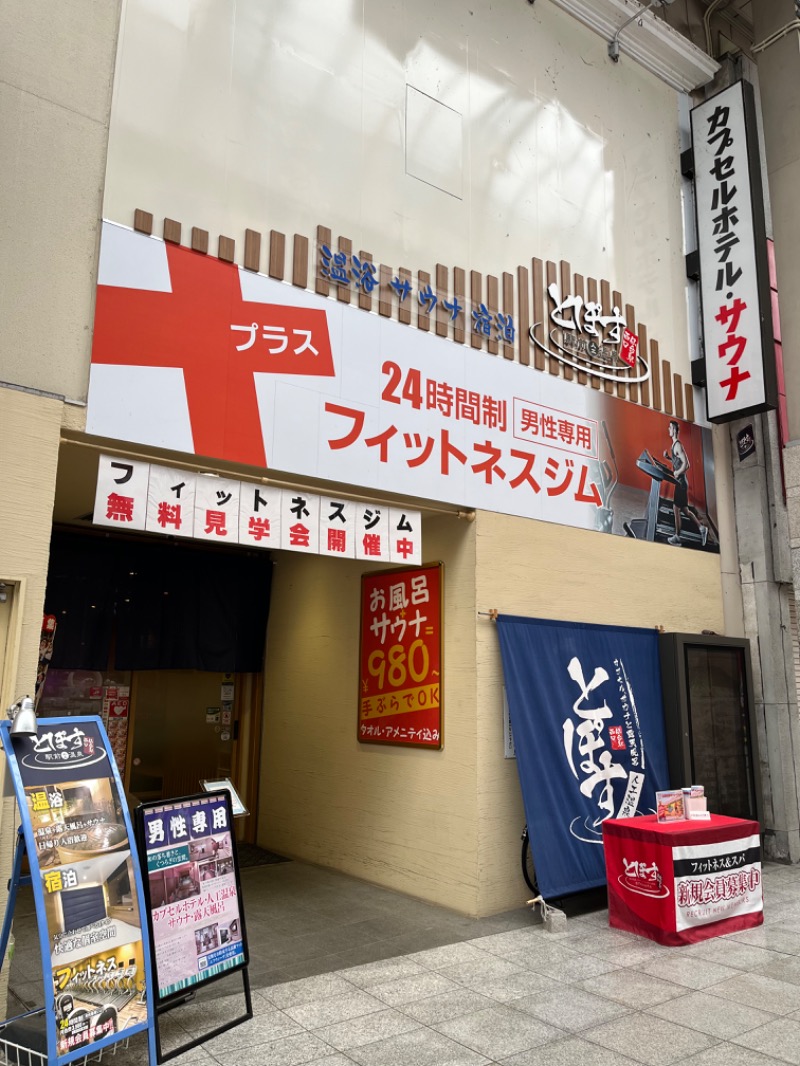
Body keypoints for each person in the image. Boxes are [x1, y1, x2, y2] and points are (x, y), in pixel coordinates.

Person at [663, 420, 707, 547]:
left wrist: (677, 472)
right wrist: (669, 458)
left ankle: (677, 536)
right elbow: (678, 460)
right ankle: (702, 528)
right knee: (685, 510)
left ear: (675, 430)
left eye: (670, 427)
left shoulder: (677, 445)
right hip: (681, 482)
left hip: (681, 482)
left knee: (676, 508)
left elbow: (687, 464)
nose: (668, 429)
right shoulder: (674, 446)